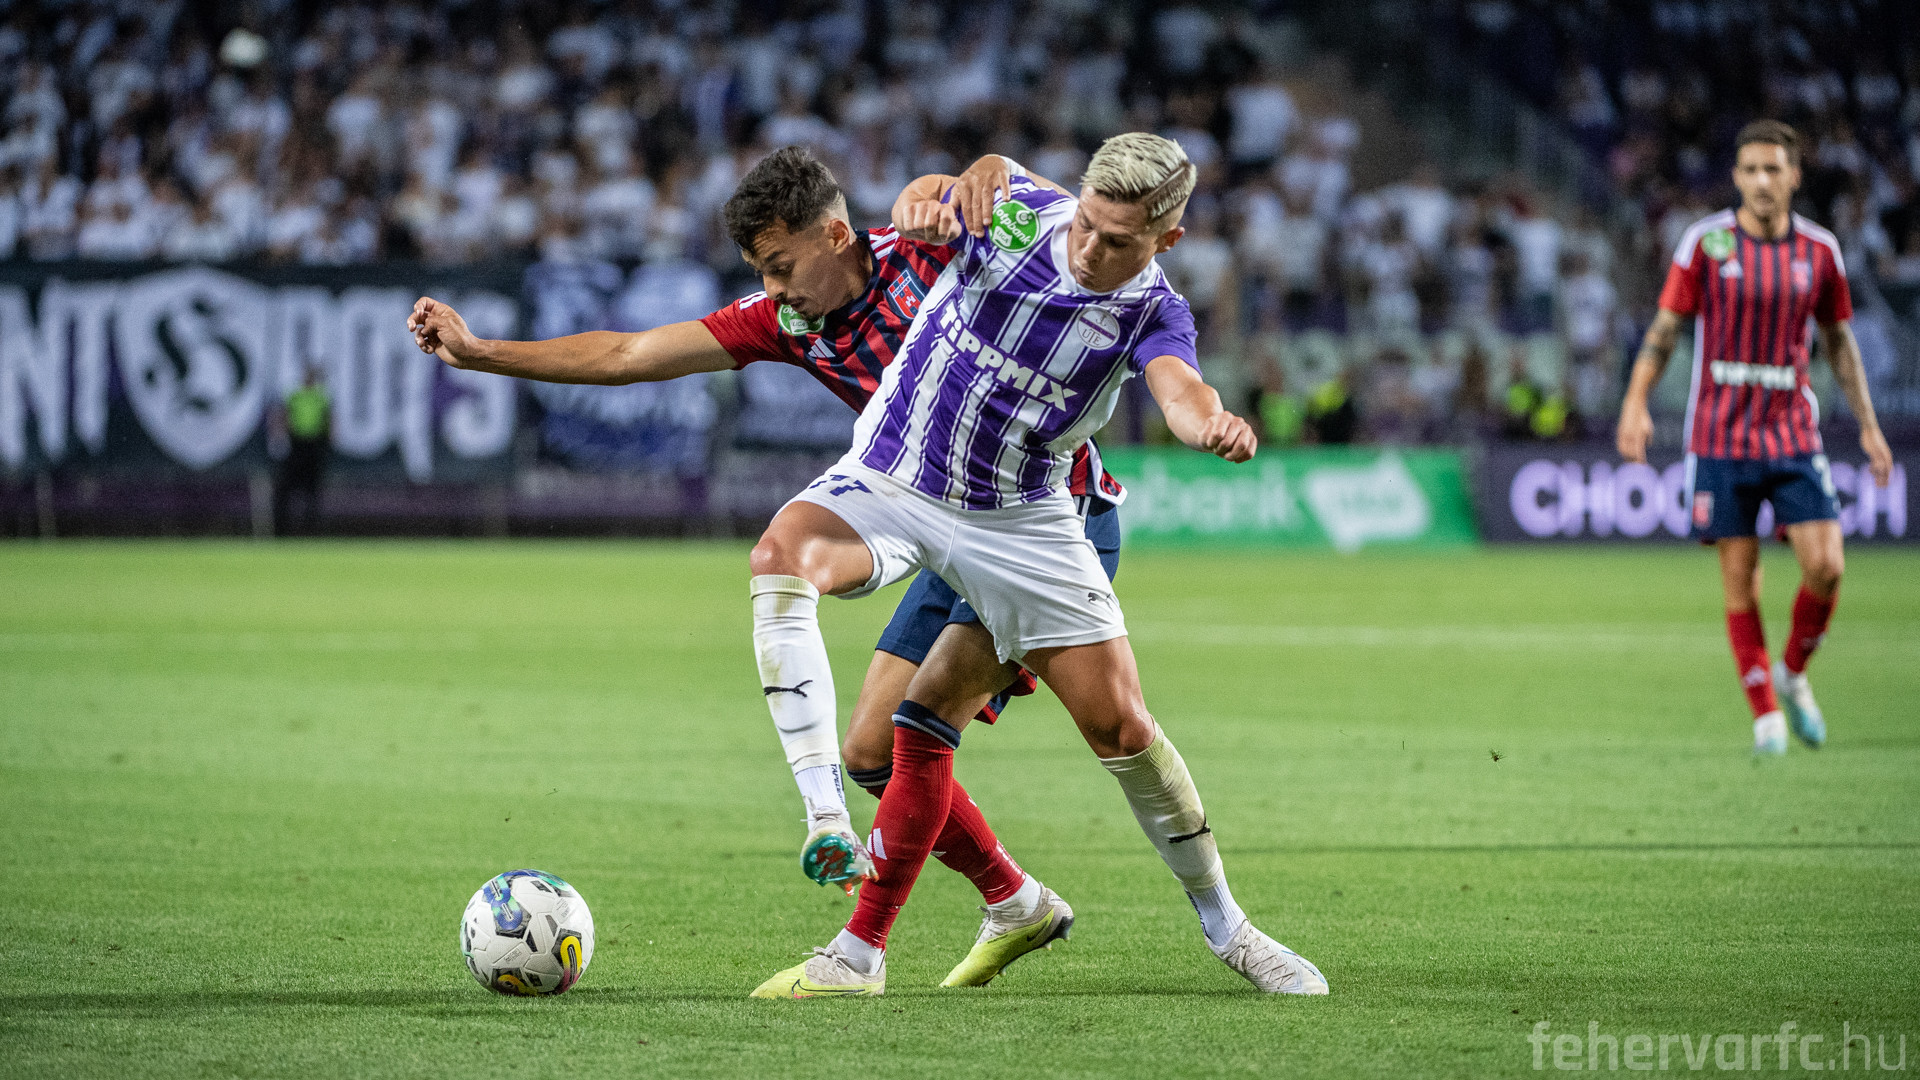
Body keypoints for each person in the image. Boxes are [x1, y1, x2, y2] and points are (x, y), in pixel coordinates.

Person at [409, 146, 1122, 986]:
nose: (774, 288)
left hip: (1043, 520)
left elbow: (1058, 233)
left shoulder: (930, 256)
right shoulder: (787, 323)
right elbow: (630, 355)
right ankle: (1014, 901)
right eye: (761, 272)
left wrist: (992, 171)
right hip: (942, 522)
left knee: (985, 730)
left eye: (782, 265)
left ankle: (862, 952)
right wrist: (482, 353)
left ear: (835, 234)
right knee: (871, 753)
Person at [745, 133, 1328, 998]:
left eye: (1118, 241)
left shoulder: (1153, 311)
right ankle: (829, 831)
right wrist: (925, 196)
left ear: (1166, 240)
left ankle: (1229, 928)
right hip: (894, 476)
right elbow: (948, 190)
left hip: (1019, 518)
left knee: (1121, 728)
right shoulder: (1020, 214)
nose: (1091, 248)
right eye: (1087, 223)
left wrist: (1207, 423)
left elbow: (1179, 387)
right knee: (780, 557)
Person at [1617, 120, 1894, 755]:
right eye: (1750, 170)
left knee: (1826, 566)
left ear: (1794, 176)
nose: (1762, 181)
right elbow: (1664, 330)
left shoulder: (1820, 250)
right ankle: (1765, 712)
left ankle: (1793, 673)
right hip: (1719, 439)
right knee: (1741, 580)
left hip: (1793, 433)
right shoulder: (1706, 243)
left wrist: (1870, 426)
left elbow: (1838, 342)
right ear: (1736, 178)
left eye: (1773, 169)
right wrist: (1635, 403)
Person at [272, 369, 331, 536]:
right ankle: (281, 530)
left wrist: (328, 439)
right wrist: (280, 435)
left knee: (312, 490)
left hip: (314, 445)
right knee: (285, 488)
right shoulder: (295, 395)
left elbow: (328, 418)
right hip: (296, 444)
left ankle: (311, 529)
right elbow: (284, 415)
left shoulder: (321, 396)